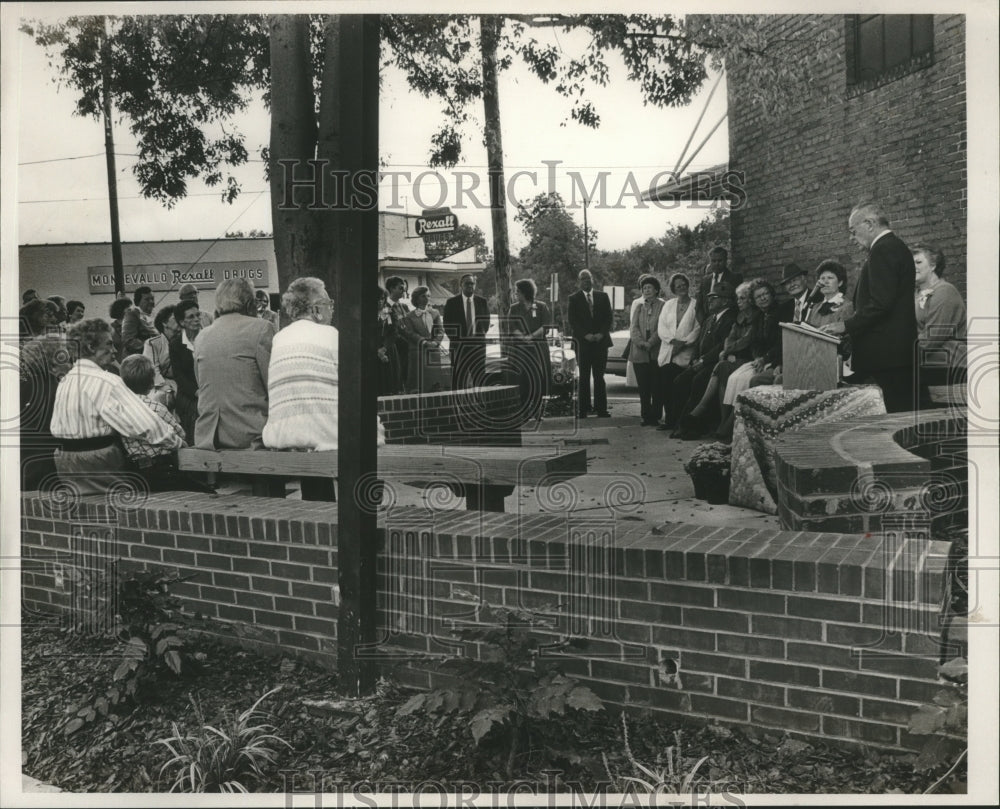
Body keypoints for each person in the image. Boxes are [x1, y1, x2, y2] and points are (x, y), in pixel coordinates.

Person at [49, 318, 183, 495]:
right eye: (110, 344)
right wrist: (177, 442)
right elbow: (145, 425)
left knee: (86, 512)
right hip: (99, 460)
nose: (114, 350)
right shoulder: (107, 381)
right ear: (91, 348)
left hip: (64, 461)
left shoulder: (66, 380)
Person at [821, 201, 918, 413]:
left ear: (869, 223)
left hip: (886, 358)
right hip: (895, 355)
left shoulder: (883, 250)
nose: (850, 237)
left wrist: (845, 326)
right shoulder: (894, 247)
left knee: (892, 420)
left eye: (852, 231)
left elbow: (880, 304)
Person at [683, 279, 779, 440]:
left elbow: (748, 340)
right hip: (749, 358)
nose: (738, 302)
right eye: (738, 298)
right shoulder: (742, 316)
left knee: (728, 371)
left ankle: (722, 423)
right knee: (723, 368)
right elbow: (730, 338)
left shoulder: (758, 316)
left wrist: (730, 351)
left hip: (749, 358)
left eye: (742, 298)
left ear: (749, 300)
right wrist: (728, 350)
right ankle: (721, 421)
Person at [193, 277, 274, 450]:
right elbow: (273, 385)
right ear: (249, 304)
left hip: (209, 437)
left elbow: (200, 383)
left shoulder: (202, 336)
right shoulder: (262, 328)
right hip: (252, 436)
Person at [119, 354, 213, 492]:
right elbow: (180, 433)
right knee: (208, 493)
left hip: (135, 472)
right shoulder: (156, 408)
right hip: (162, 469)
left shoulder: (118, 409)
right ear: (151, 384)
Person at [666, 280, 740, 435]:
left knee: (698, 381)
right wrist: (694, 359)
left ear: (725, 301)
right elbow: (699, 342)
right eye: (710, 298)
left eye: (715, 298)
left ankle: (692, 427)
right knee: (679, 381)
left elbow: (721, 346)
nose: (710, 301)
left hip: (713, 364)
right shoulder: (709, 319)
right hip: (700, 362)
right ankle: (678, 423)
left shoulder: (730, 319)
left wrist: (703, 360)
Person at [912, 244, 967, 403]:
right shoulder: (916, 293)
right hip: (928, 358)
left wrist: (899, 352)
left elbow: (932, 338)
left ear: (933, 265)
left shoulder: (944, 291)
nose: (913, 267)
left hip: (952, 360)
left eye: (918, 262)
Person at [655, 272, 700, 424]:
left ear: (688, 285)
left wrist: (683, 344)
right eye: (677, 286)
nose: (681, 288)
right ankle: (669, 419)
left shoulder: (695, 304)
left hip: (685, 354)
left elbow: (697, 328)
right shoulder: (668, 305)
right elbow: (661, 327)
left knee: (680, 389)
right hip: (668, 351)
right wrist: (672, 341)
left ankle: (679, 420)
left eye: (683, 285)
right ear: (673, 289)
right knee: (665, 387)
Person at [567, 269, 613, 418]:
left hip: (600, 343)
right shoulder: (574, 299)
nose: (586, 281)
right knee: (584, 377)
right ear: (579, 281)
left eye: (588, 278)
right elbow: (573, 321)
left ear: (592, 280)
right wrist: (585, 335)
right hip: (583, 344)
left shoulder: (603, 296)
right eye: (583, 279)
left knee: (599, 377)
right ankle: (583, 409)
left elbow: (608, 318)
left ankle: (602, 409)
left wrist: (601, 334)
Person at [505, 278, 553, 420]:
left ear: (525, 292)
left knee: (538, 378)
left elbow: (546, 326)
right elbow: (512, 327)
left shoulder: (541, 306)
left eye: (517, 291)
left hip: (538, 349)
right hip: (520, 349)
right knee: (522, 379)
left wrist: (531, 336)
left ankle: (538, 411)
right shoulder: (514, 308)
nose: (515, 294)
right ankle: (524, 412)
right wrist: (523, 338)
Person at [629, 275, 665, 426]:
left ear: (656, 290)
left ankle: (656, 415)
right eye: (644, 288)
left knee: (657, 386)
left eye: (649, 287)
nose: (647, 290)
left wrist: (651, 342)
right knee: (643, 387)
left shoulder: (663, 305)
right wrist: (641, 343)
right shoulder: (638, 306)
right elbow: (633, 328)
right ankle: (645, 416)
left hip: (656, 350)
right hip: (639, 351)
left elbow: (663, 327)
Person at [443, 273, 489, 389]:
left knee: (479, 379)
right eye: (467, 283)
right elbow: (447, 325)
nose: (470, 286)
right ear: (461, 285)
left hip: (478, 347)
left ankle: (480, 405)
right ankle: (458, 405)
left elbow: (485, 324)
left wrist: (478, 338)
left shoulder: (482, 302)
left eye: (472, 283)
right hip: (459, 347)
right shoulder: (452, 303)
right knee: (459, 379)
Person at [168, 299, 203, 444]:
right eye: (191, 317)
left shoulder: (208, 337)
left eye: (198, 315)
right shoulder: (175, 344)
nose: (197, 319)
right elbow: (179, 376)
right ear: (182, 322)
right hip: (189, 392)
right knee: (193, 410)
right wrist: (197, 392)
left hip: (210, 389)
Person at [403, 286, 446, 393]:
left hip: (433, 351)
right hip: (418, 352)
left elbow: (440, 331)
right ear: (416, 298)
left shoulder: (435, 313)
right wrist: (424, 342)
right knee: (418, 384)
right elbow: (410, 333)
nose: (426, 298)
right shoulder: (409, 316)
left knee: (434, 383)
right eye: (423, 296)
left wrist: (436, 342)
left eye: (428, 296)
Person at [694, 247, 743, 323]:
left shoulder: (735, 278)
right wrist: (704, 324)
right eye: (713, 261)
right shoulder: (705, 280)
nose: (717, 263)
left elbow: (737, 303)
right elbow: (699, 306)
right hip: (708, 324)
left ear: (726, 260)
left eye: (720, 260)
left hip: (727, 323)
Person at [143, 305, 179, 406]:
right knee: (159, 398)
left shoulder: (185, 342)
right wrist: (167, 389)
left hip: (180, 384)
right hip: (158, 386)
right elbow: (153, 371)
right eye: (175, 318)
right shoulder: (152, 343)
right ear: (164, 323)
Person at [385, 276, 411, 391]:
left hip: (407, 346)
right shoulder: (385, 306)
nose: (403, 291)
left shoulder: (404, 306)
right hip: (394, 346)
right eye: (400, 288)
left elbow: (409, 324)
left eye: (404, 288)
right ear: (391, 288)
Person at [376, 286, 401, 396]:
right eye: (377, 299)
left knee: (389, 381)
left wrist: (384, 348)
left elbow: (394, 332)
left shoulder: (389, 312)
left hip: (388, 349)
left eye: (382, 298)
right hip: (373, 349)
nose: (380, 301)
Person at [120, 286, 158, 358]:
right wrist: (152, 346)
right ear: (137, 302)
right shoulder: (131, 314)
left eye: (152, 299)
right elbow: (128, 340)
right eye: (147, 299)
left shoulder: (153, 315)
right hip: (136, 360)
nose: (151, 302)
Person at [108, 297, 132, 362]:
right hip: (116, 366)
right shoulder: (110, 328)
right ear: (120, 309)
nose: (131, 309)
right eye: (128, 307)